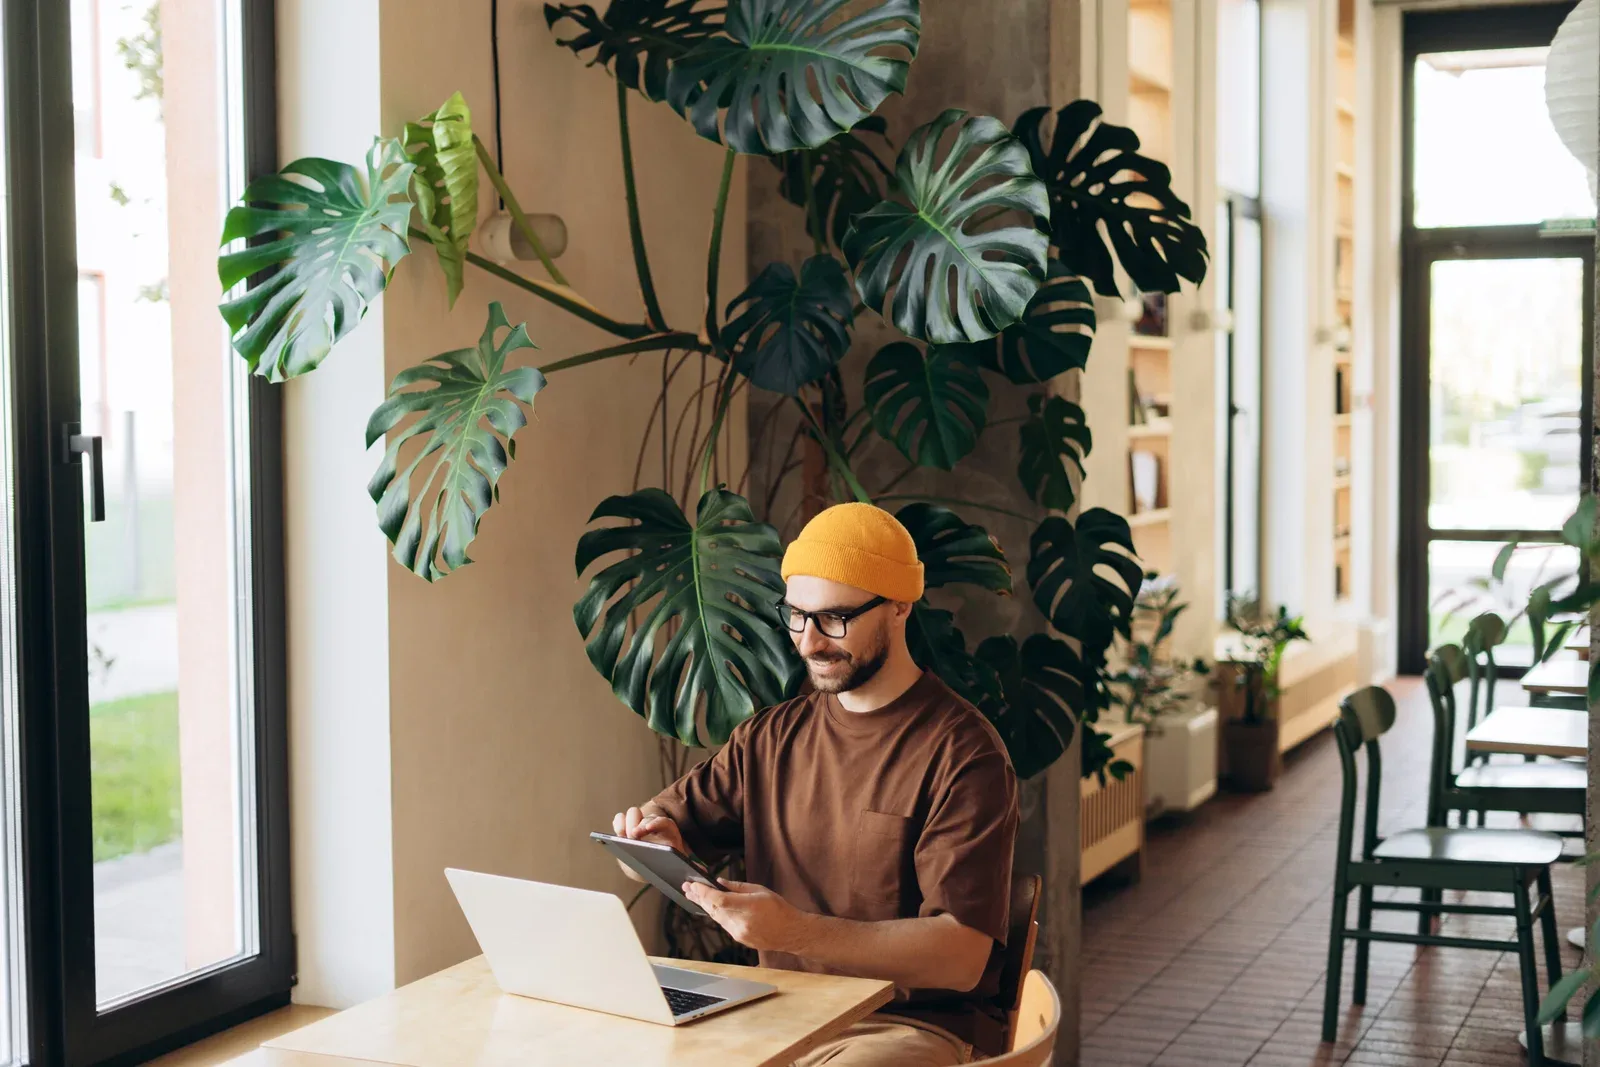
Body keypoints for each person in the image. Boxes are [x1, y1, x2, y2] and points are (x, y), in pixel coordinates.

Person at [611, 502, 1020, 1066]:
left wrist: (795, 932)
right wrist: (647, 844)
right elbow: (662, 830)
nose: (807, 643)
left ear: (900, 605)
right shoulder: (770, 737)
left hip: (904, 1028)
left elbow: (961, 957)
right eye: (796, 616)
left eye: (835, 619)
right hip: (776, 1013)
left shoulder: (963, 753)